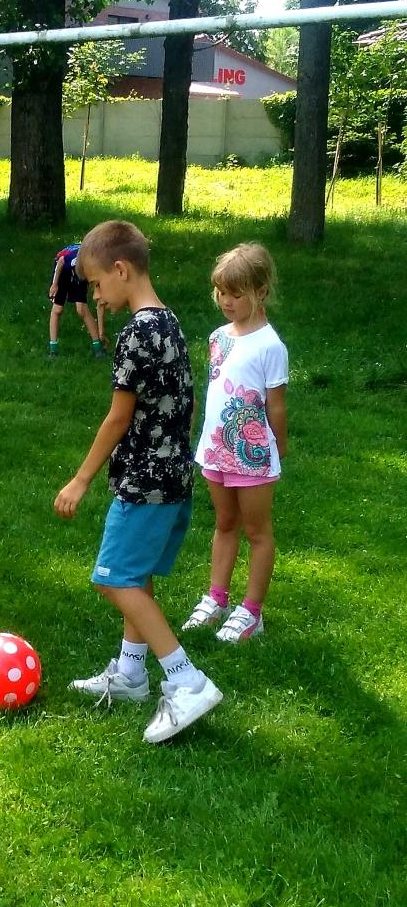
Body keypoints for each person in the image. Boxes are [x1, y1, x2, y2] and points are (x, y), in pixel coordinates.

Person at [54, 219, 222, 744]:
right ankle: (130, 673)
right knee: (137, 574)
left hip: (145, 481)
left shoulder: (135, 333)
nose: (95, 296)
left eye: (97, 283)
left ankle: (186, 681)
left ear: (121, 269)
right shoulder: (168, 322)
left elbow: (117, 418)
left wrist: (80, 479)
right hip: (172, 475)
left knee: (114, 579)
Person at [182, 242, 288, 642]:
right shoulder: (217, 337)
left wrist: (278, 447)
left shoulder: (270, 346)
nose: (226, 301)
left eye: (236, 294)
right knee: (225, 523)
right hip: (215, 450)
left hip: (253, 455)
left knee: (257, 531)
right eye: (221, 292)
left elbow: (276, 405)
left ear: (261, 292)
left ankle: (252, 611)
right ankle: (217, 598)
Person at [48, 243, 107, 358]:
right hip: (62, 267)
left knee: (81, 309)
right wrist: (54, 285)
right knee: (58, 309)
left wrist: (102, 332)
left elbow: (101, 304)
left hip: (79, 270)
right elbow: (61, 261)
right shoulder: (76, 260)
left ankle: (97, 346)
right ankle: (53, 349)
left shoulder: (96, 271)